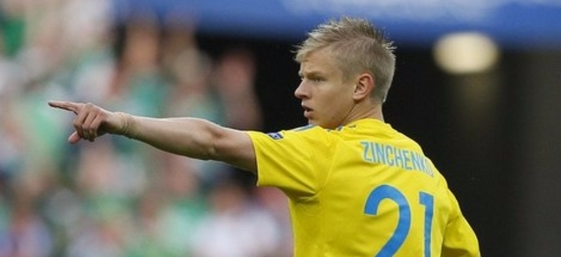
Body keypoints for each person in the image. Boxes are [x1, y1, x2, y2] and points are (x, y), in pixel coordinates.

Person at [49, 16, 480, 256]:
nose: (300, 91)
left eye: (317, 79)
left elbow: (213, 140)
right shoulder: (427, 172)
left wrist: (123, 122)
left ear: (361, 86)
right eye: (302, 77)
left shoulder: (324, 149)